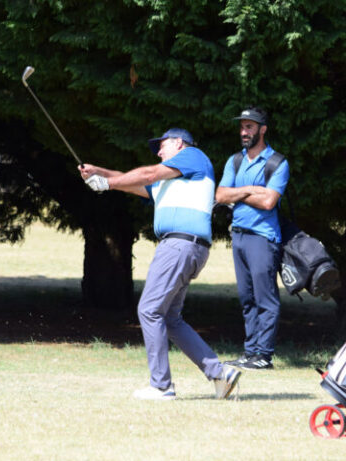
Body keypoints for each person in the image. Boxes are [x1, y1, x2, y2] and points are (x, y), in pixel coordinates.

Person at [79, 127, 241, 400]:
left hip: (178, 246)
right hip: (187, 247)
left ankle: (162, 386)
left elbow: (149, 173)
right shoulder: (173, 179)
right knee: (169, 318)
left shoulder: (193, 156)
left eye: (162, 146)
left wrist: (107, 184)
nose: (159, 152)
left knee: (149, 310)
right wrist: (102, 173)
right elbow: (137, 183)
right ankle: (220, 374)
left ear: (179, 143)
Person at [215, 107, 289, 370]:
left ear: (263, 129)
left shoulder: (277, 163)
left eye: (250, 127)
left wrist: (238, 193)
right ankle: (250, 352)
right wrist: (249, 190)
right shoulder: (235, 160)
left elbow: (269, 201)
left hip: (262, 238)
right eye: (242, 127)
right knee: (247, 298)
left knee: (264, 298)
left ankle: (264, 356)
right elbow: (221, 196)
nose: (244, 132)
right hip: (240, 236)